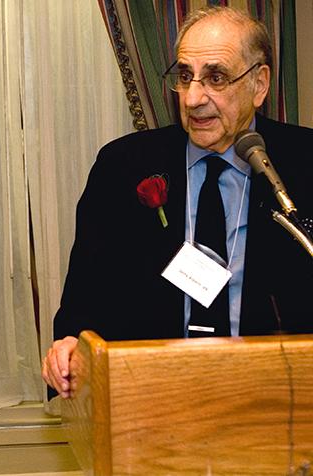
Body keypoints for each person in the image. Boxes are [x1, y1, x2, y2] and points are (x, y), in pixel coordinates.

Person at [43, 6, 313, 398]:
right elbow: (84, 304)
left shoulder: (304, 164)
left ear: (259, 84)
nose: (192, 97)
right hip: (151, 401)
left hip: (275, 403)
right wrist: (70, 347)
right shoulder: (123, 167)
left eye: (215, 77)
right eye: (185, 76)